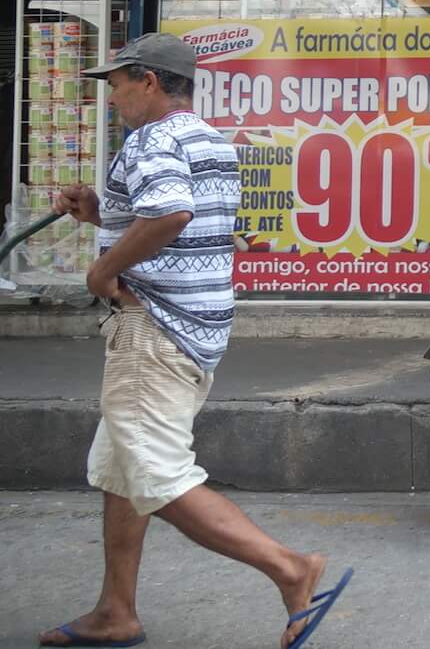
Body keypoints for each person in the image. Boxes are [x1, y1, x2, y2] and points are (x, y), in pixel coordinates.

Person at [42, 34, 352, 649]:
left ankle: (292, 570)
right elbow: (171, 214)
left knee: (156, 475)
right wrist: (101, 213)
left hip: (153, 329)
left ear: (149, 81)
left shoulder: (151, 139)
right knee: (125, 471)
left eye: (117, 83)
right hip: (196, 326)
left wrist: (102, 272)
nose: (113, 97)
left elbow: (170, 216)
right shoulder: (207, 138)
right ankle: (115, 611)